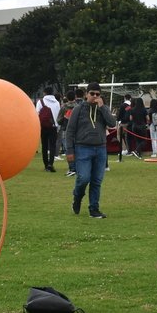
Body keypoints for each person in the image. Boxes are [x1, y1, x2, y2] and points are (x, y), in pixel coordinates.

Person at [65, 83, 117, 217]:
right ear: (86, 94)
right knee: (83, 178)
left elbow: (112, 123)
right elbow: (70, 130)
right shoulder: (78, 109)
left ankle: (94, 209)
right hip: (82, 148)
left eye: (97, 94)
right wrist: (69, 151)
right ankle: (77, 197)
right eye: (92, 94)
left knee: (97, 180)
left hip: (100, 148)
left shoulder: (102, 109)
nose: (95, 96)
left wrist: (103, 107)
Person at [37, 88, 61, 173]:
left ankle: (46, 164)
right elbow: (58, 115)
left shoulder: (41, 102)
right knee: (52, 146)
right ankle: (51, 163)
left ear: (44, 93)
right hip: (53, 126)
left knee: (44, 146)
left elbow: (37, 114)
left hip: (43, 127)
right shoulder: (57, 102)